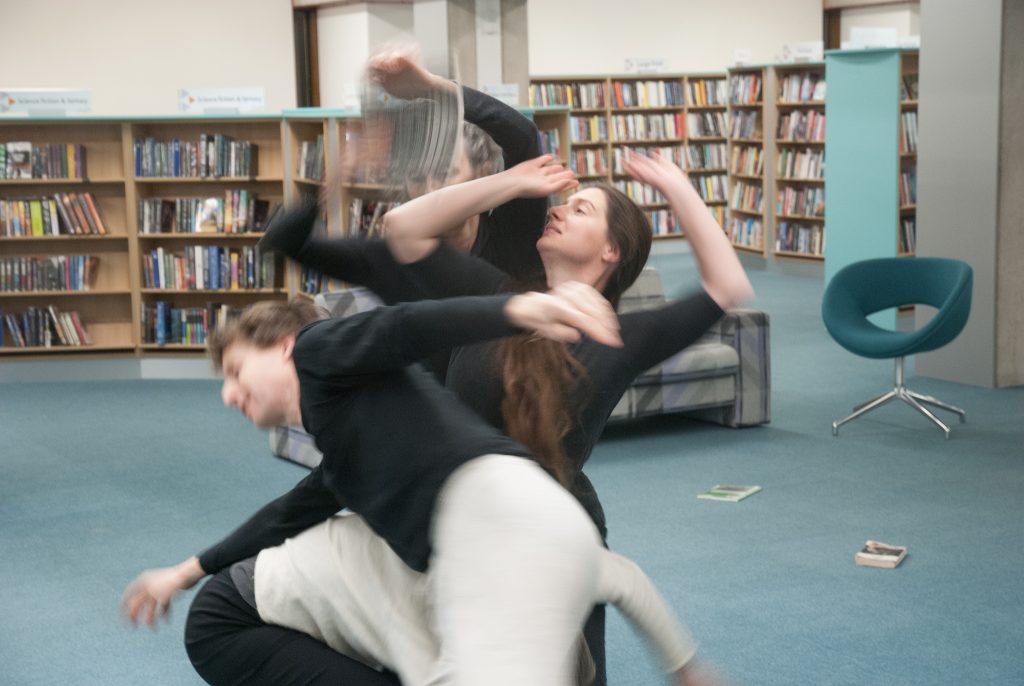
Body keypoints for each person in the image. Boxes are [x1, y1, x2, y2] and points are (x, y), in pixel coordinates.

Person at [262, 150, 754, 683]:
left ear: (613, 250)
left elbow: (726, 286)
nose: (560, 210)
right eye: (565, 203)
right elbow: (404, 228)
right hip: (459, 523)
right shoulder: (498, 298)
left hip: (557, 532)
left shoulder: (618, 338)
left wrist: (678, 188)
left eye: (582, 210)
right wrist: (508, 181)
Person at [121, 271, 659, 684]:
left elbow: (405, 326)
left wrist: (519, 309)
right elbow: (287, 513)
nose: (227, 394)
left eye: (237, 371)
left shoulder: (315, 349)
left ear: (284, 346)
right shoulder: (349, 433)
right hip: (246, 613)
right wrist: (184, 571)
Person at [186, 510, 716, 686]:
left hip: (317, 597)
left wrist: (685, 666)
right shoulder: (439, 607)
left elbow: (628, 581)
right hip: (233, 622)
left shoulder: (552, 564)